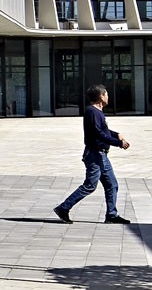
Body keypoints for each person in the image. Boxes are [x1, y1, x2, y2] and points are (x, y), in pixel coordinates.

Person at [54, 85, 129, 224]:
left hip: (102, 155)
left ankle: (111, 215)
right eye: (106, 94)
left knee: (112, 184)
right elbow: (98, 134)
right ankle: (63, 208)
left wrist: (116, 134)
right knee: (90, 185)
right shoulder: (92, 112)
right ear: (101, 96)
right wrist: (118, 143)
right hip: (94, 155)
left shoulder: (98, 112)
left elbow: (104, 131)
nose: (108, 96)